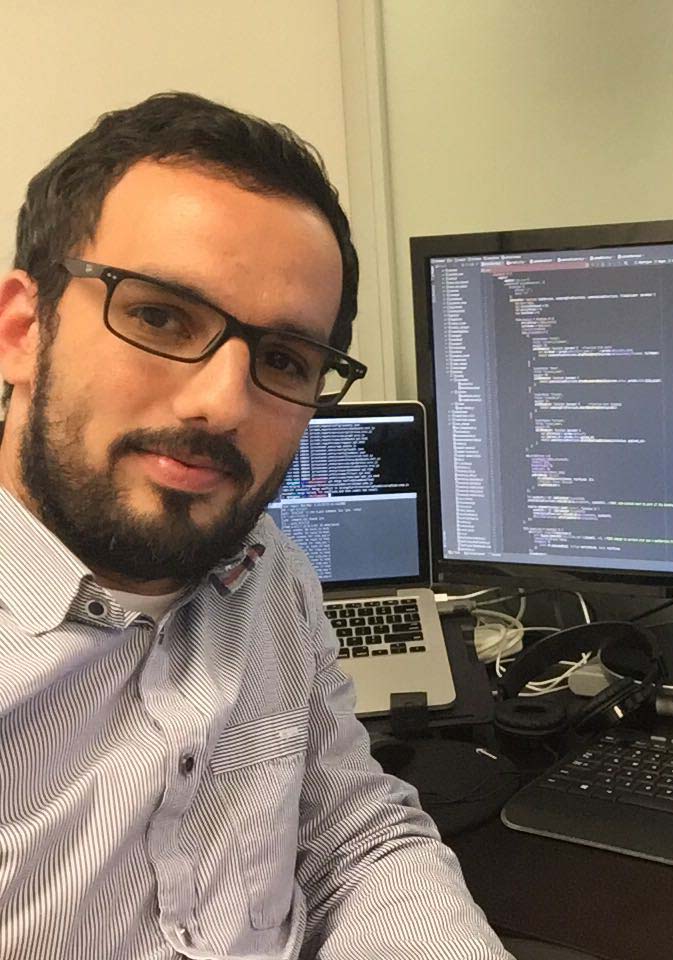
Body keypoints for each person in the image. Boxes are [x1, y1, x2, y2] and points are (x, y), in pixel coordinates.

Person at [0, 92, 513, 959]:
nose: (224, 404)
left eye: (282, 359)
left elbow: (350, 834)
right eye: (160, 316)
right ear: (22, 330)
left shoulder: (264, 567)